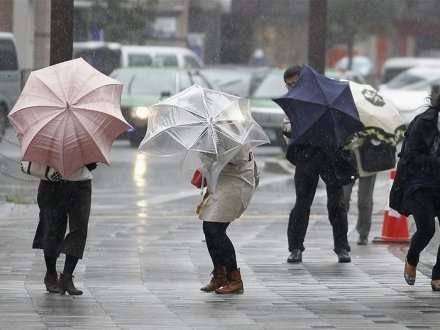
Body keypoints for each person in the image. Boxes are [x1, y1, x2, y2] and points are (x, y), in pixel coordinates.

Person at [282, 65, 353, 264]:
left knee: (336, 204)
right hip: (307, 155)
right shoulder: (294, 105)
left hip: (331, 154)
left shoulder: (328, 97)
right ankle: (295, 247)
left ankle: (342, 246)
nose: (291, 88)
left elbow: (345, 130)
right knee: (302, 203)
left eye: (294, 83)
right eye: (288, 85)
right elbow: (286, 131)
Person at [396, 84, 440, 291]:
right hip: (422, 183)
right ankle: (412, 258)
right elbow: (410, 155)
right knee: (427, 229)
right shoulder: (424, 122)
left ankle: (438, 275)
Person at [197, 147, 258, 294]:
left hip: (238, 180)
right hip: (221, 182)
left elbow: (238, 157)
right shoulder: (208, 134)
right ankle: (220, 275)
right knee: (209, 227)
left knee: (215, 228)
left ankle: (235, 279)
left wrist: (215, 155)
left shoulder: (232, 131)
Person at [32, 162, 97, 295]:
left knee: (79, 229)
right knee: (52, 229)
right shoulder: (48, 140)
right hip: (52, 182)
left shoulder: (83, 140)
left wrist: (90, 163)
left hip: (81, 182)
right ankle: (51, 274)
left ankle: (67, 277)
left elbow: (92, 156)